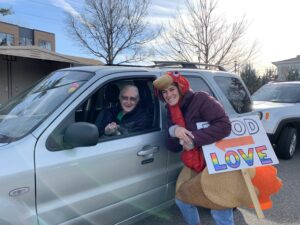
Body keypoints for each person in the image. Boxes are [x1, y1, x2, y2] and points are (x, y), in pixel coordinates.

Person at [153, 71, 233, 225]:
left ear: (180, 87)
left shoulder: (201, 99)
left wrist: (193, 140)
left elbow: (224, 126)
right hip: (194, 162)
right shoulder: (171, 110)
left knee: (219, 207)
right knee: (182, 198)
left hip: (215, 161)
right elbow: (173, 147)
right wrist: (174, 131)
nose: (168, 95)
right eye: (164, 92)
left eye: (171, 89)